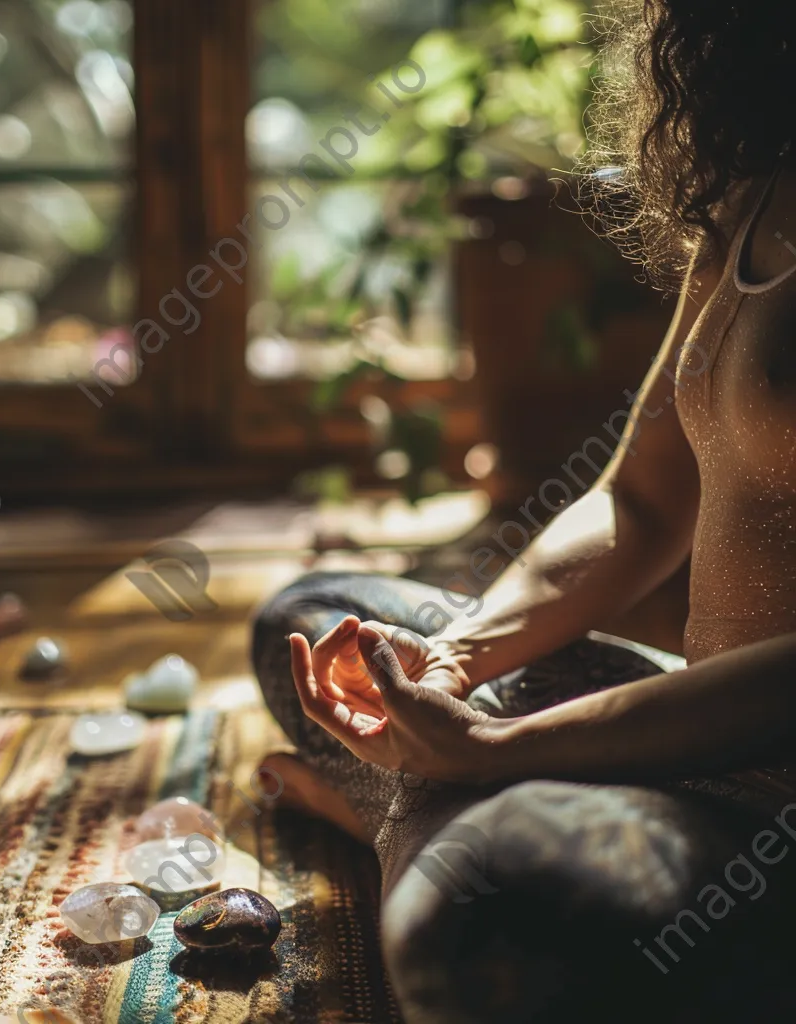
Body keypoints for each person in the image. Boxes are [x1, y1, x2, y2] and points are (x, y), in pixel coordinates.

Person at [251, 2, 796, 1021]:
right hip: (675, 732)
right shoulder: (752, 189)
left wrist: (498, 751)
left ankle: (411, 823)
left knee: (498, 902)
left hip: (769, 809)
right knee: (318, 622)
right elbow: (635, 501)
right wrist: (455, 661)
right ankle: (432, 813)